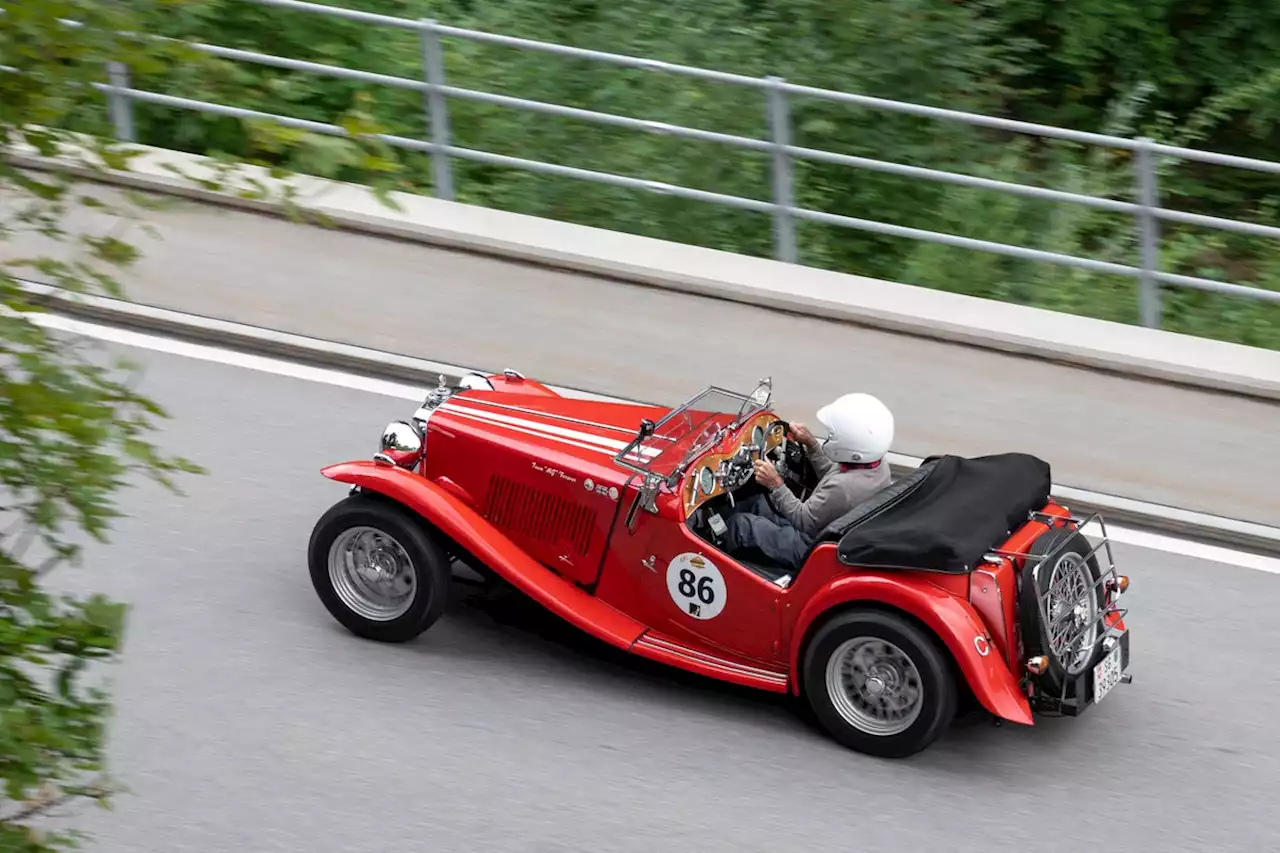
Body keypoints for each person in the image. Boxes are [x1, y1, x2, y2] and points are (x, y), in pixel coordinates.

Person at [717, 392, 895, 572]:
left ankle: (709, 562)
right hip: (826, 533)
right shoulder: (876, 466)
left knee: (741, 526)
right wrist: (811, 444)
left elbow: (803, 520)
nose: (829, 438)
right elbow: (831, 473)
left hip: (809, 547)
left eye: (833, 436)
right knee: (756, 503)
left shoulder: (844, 489)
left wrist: (775, 483)